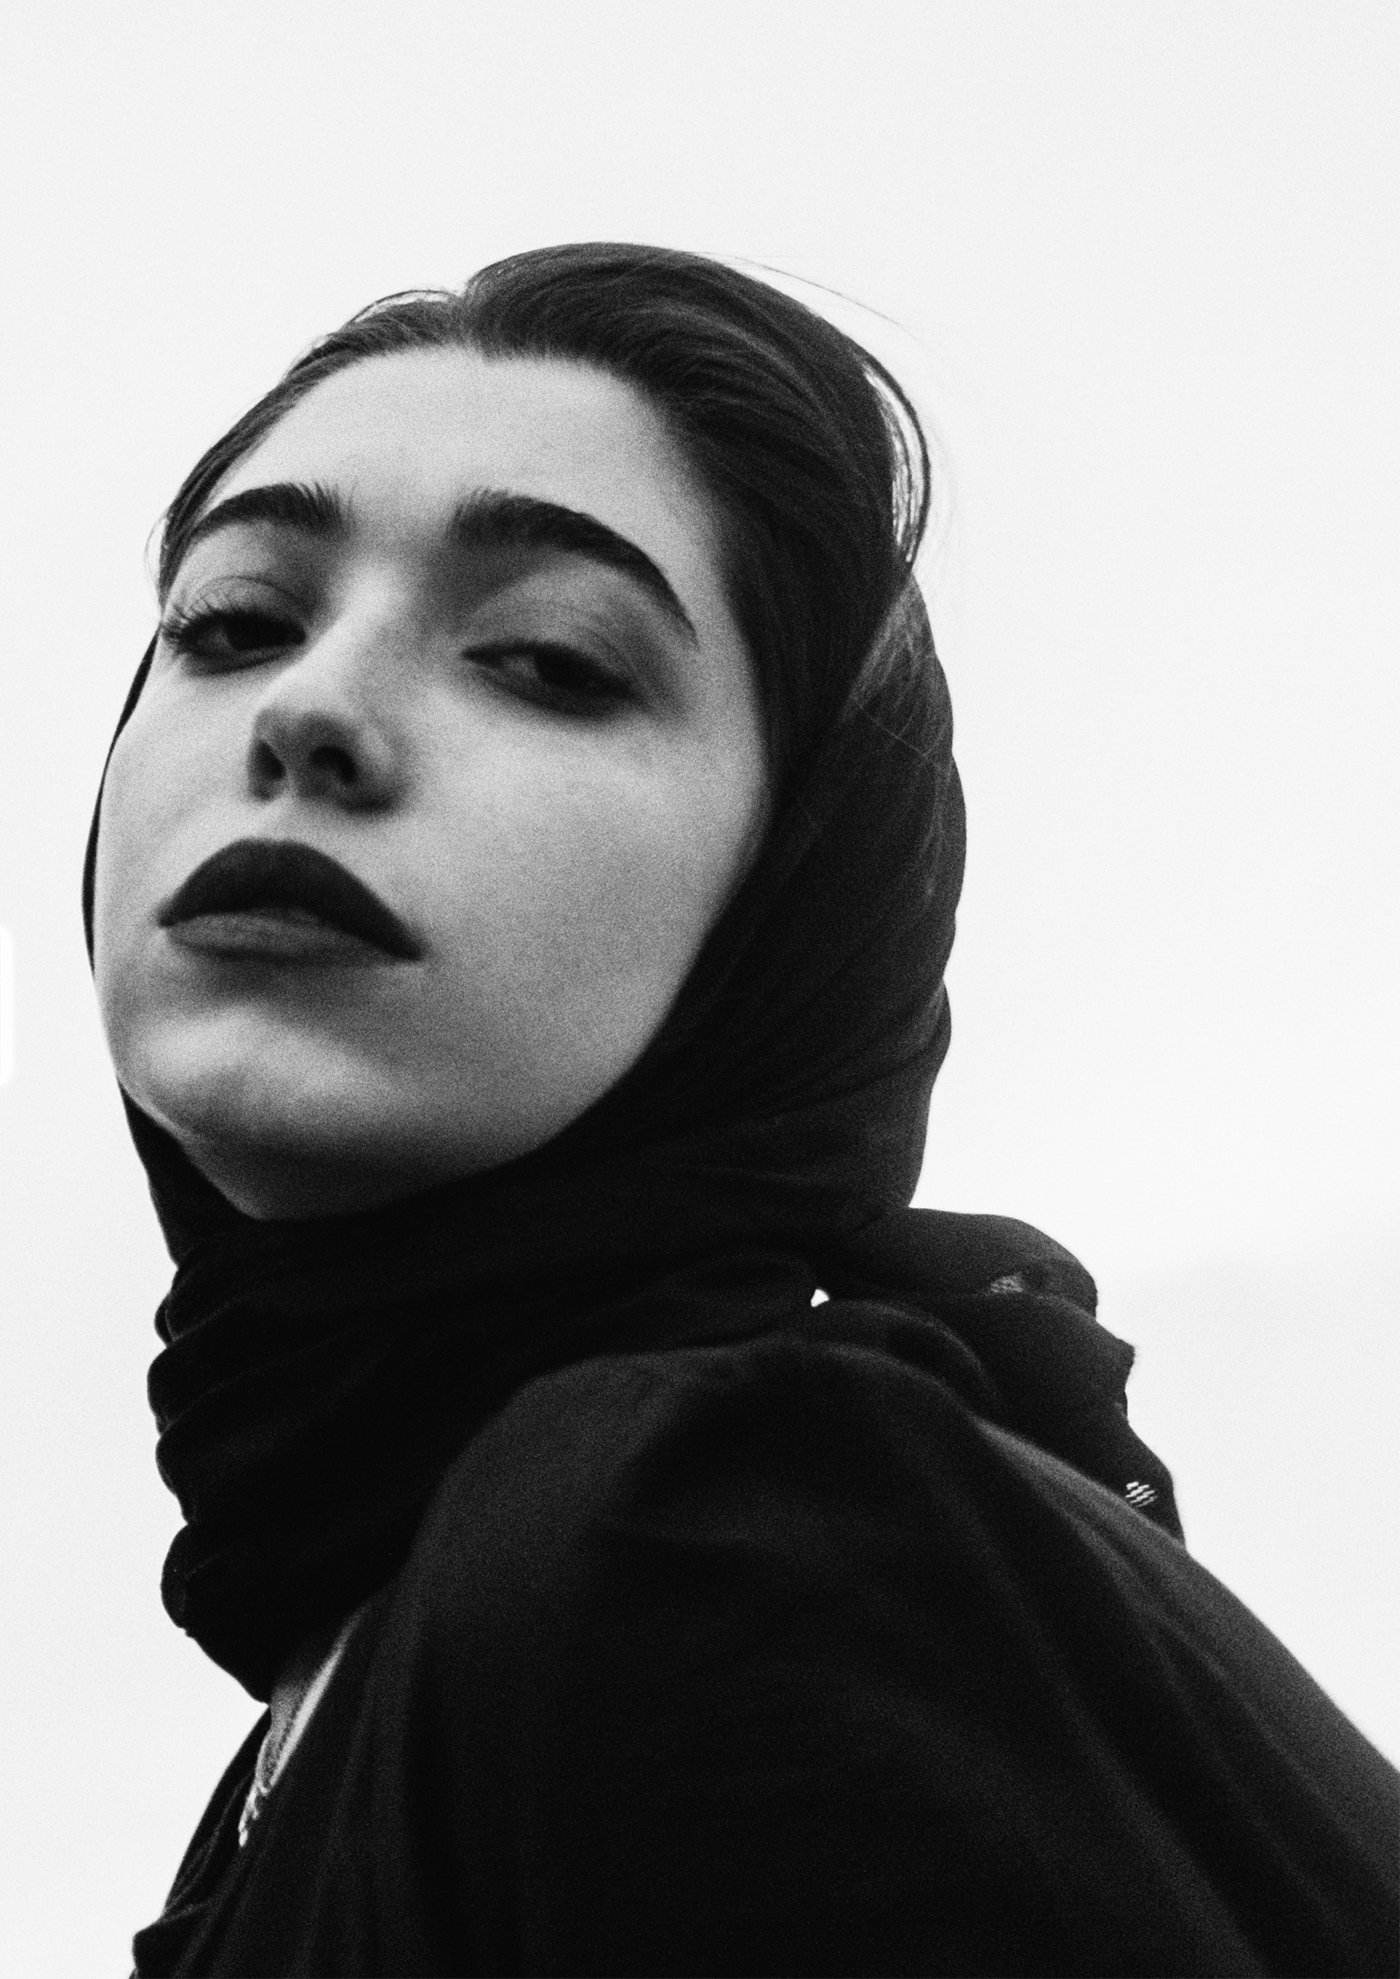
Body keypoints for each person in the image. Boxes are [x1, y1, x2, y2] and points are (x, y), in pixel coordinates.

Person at [86, 243, 1395, 1978]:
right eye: (233, 625)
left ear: (794, 903)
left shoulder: (707, 1529)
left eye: (548, 660)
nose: (309, 709)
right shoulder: (367, 1668)